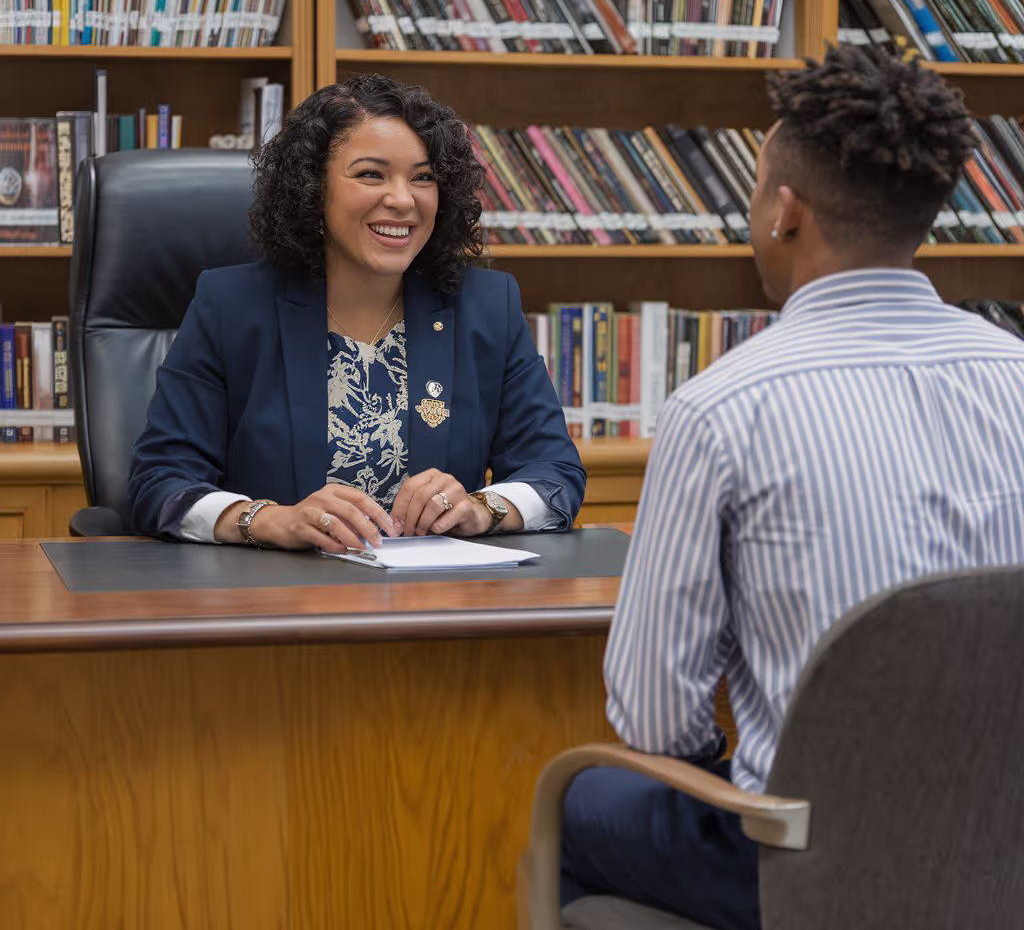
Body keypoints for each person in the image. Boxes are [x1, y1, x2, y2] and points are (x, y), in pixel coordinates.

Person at [561, 45, 1024, 929]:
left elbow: (657, 720)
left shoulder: (720, 409)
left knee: (579, 802)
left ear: (783, 213)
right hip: (1006, 851)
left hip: (806, 862)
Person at [128, 74, 585, 548]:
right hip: (275, 600)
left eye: (423, 177)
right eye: (371, 174)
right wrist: (268, 521)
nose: (403, 199)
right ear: (313, 188)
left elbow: (556, 475)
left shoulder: (487, 307)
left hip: (435, 600)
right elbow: (159, 483)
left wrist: (480, 509)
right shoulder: (231, 306)